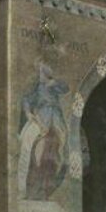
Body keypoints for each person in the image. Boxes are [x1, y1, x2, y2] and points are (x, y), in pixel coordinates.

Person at [18, 63, 70, 200]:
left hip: (56, 120)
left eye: (41, 74)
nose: (39, 76)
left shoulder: (53, 86)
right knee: (26, 143)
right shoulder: (37, 88)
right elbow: (26, 99)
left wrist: (54, 82)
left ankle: (54, 181)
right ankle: (22, 187)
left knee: (63, 145)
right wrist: (28, 113)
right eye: (40, 74)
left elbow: (66, 88)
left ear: (46, 76)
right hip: (41, 119)